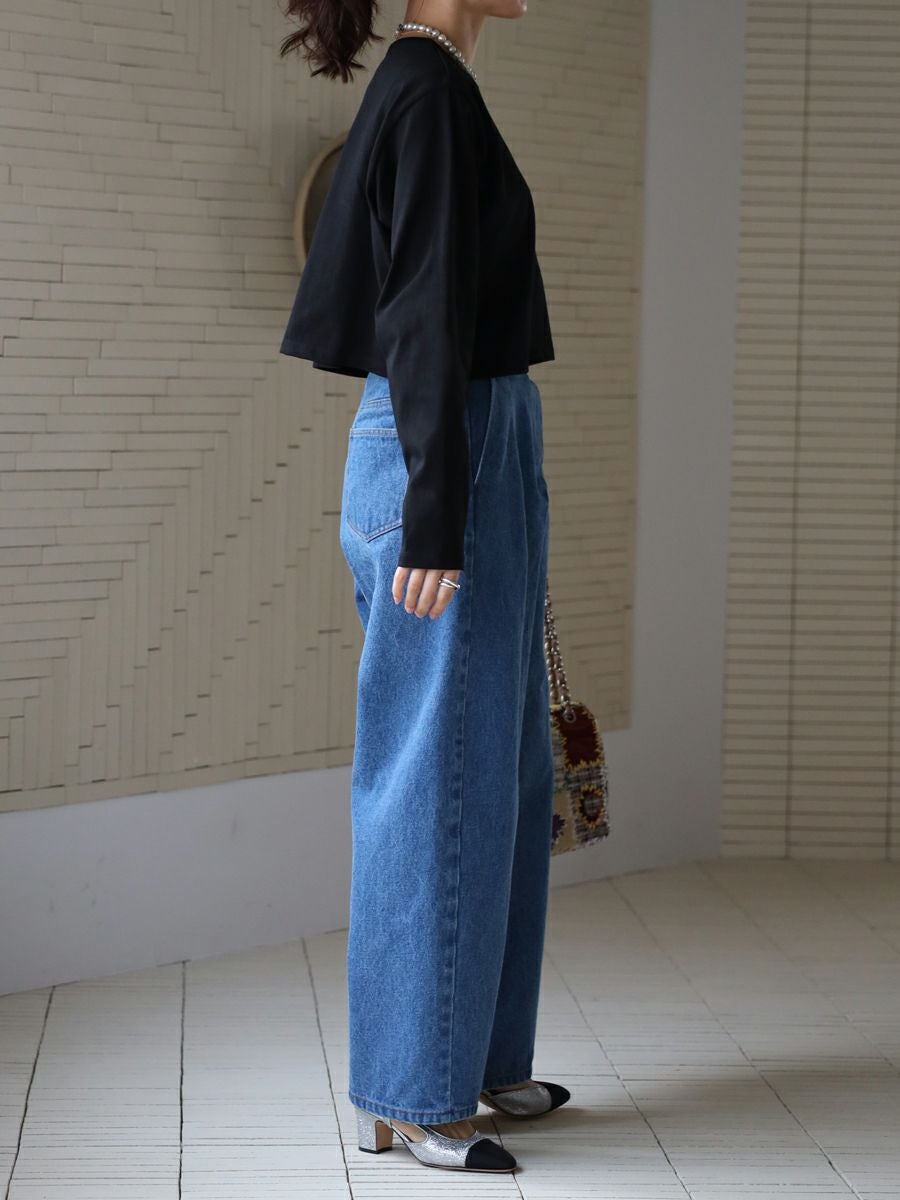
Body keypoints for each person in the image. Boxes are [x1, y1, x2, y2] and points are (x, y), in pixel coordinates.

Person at [279, 0, 568, 1174]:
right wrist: (438, 518)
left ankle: (477, 1060)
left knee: (502, 765)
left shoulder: (436, 82)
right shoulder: (429, 90)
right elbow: (422, 310)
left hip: (477, 436)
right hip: (443, 449)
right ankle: (411, 1092)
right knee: (439, 770)